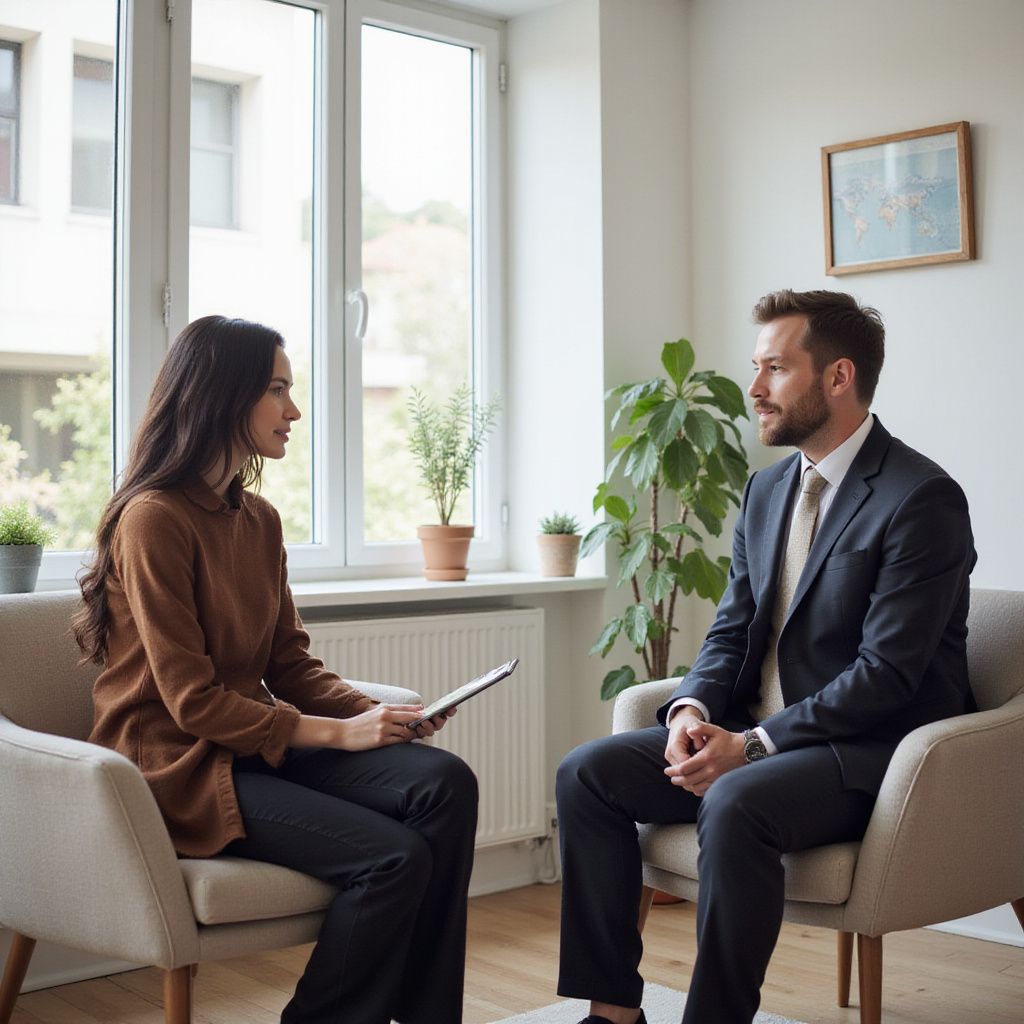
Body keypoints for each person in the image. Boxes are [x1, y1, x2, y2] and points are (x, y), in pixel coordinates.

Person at [555, 289, 976, 1024]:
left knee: (735, 797)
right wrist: (690, 710)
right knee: (587, 773)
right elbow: (733, 626)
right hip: (761, 734)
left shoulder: (922, 498)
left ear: (838, 377)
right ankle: (612, 1013)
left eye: (775, 369)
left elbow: (888, 675)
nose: (754, 389)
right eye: (757, 368)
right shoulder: (767, 488)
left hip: (869, 752)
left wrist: (748, 748)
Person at [76, 315, 479, 1024]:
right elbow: (191, 703)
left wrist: (372, 717)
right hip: (180, 767)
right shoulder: (153, 520)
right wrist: (335, 736)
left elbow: (288, 663)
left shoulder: (257, 520)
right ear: (220, 396)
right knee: (393, 859)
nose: (293, 411)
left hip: (252, 748)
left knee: (447, 783)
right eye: (276, 390)